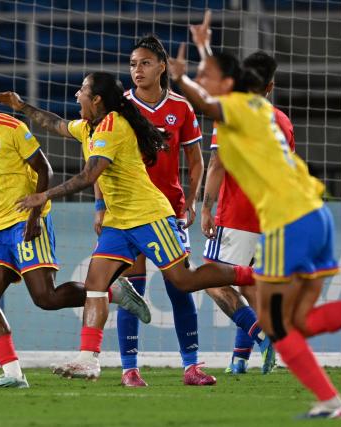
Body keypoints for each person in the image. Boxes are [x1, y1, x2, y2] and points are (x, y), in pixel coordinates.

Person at [169, 49, 341, 418]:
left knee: (278, 327)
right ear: (270, 85)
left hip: (289, 221)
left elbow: (208, 104)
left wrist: (181, 78)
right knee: (297, 322)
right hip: (316, 216)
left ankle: (316, 377)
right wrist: (205, 56)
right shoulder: (273, 117)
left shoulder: (239, 109)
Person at [0, 71, 255, 381]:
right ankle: (89, 359)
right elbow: (56, 124)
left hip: (148, 216)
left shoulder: (112, 127)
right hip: (118, 222)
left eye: (82, 90)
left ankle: (252, 275)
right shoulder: (88, 126)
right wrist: (22, 106)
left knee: (183, 281)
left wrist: (43, 196)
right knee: (96, 284)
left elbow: (88, 177)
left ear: (96, 100)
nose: (76, 95)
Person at [0, 68, 151, 389]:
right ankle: (12, 374)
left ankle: (113, 291)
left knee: (45, 298)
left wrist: (35, 216)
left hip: (27, 221)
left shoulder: (11, 127)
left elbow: (43, 169)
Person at [95, 35, 214, 387]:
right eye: (133, 64)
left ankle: (191, 366)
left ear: (162, 65)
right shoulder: (120, 110)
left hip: (169, 211)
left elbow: (195, 160)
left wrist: (192, 201)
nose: (137, 70)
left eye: (144, 63)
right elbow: (99, 160)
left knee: (180, 286)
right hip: (128, 212)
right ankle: (129, 368)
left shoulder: (182, 108)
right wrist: (100, 206)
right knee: (132, 291)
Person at [190, 11, 289, 375]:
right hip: (272, 218)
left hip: (237, 215)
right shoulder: (283, 121)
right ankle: (239, 361)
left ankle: (262, 334)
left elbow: (217, 165)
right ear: (271, 86)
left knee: (214, 283)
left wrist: (205, 208)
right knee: (248, 284)